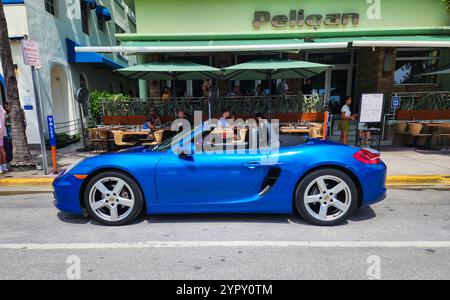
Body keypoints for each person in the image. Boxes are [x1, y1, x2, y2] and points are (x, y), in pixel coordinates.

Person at [0, 104, 8, 175]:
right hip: (1, 130)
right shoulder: (0, 106)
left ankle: (0, 169)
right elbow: (5, 115)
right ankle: (4, 167)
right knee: (1, 148)